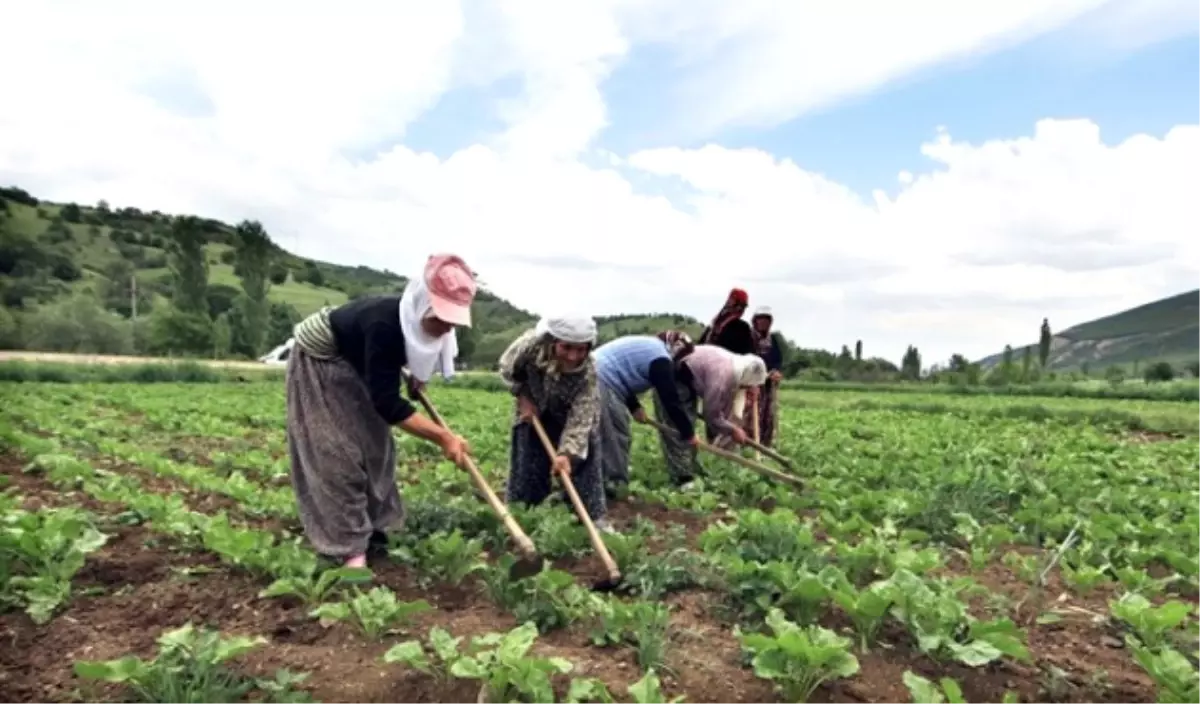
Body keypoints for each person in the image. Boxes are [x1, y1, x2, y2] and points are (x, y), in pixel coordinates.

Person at [285, 254, 476, 569]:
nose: (445, 327)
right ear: (422, 305)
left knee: (376, 448)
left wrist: (419, 377)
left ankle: (379, 529)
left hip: (358, 359)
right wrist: (442, 436)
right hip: (320, 359)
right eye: (439, 318)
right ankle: (346, 547)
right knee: (335, 452)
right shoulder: (384, 324)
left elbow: (422, 352)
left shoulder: (437, 326)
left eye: (451, 321)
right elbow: (387, 403)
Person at [498, 316, 613, 533]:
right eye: (566, 348)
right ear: (552, 341)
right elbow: (507, 370)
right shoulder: (529, 347)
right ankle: (524, 512)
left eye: (581, 350)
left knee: (584, 457)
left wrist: (566, 454)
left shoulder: (588, 373)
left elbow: (581, 417)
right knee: (528, 453)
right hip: (533, 402)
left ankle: (591, 516)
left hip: (569, 411)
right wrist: (522, 396)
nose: (573, 356)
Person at [593, 330, 698, 498]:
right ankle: (614, 486)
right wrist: (688, 433)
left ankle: (600, 478)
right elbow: (670, 401)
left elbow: (622, 369)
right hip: (600, 379)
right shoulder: (661, 359)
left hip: (600, 374)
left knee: (605, 433)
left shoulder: (652, 348)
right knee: (616, 434)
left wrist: (634, 407)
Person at [655, 344, 767, 487]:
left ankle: (691, 469)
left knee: (688, 425)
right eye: (747, 386)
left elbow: (722, 410)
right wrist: (732, 430)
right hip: (672, 378)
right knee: (678, 429)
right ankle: (682, 478)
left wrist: (731, 429)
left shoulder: (735, 367)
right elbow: (711, 415)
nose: (745, 389)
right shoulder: (722, 377)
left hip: (688, 379)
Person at [750, 306, 785, 447]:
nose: (764, 323)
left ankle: (766, 445)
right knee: (753, 415)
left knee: (768, 414)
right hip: (752, 382)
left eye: (767, 320)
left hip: (769, 384)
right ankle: (752, 444)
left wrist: (776, 371)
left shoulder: (773, 339)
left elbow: (778, 359)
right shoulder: (749, 337)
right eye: (761, 319)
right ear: (756, 321)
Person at [698, 288, 755, 355]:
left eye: (743, 306)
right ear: (729, 302)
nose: (740, 308)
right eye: (738, 304)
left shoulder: (742, 327)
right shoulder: (715, 323)